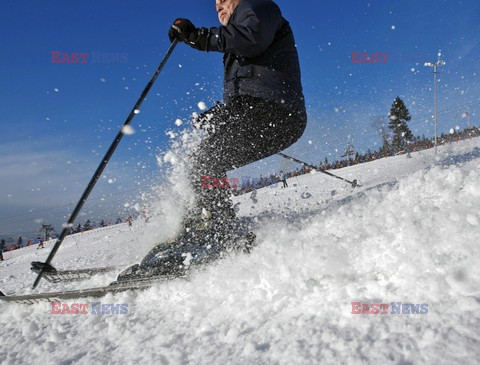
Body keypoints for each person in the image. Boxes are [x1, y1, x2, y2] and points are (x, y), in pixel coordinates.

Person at [119, 0, 307, 279]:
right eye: (215, 1)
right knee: (202, 159)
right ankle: (199, 225)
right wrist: (223, 114)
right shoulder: (238, 29)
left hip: (278, 113)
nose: (218, 5)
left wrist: (197, 36)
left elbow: (252, 39)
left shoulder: (258, 8)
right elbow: (252, 82)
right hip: (266, 112)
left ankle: (217, 232)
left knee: (207, 158)